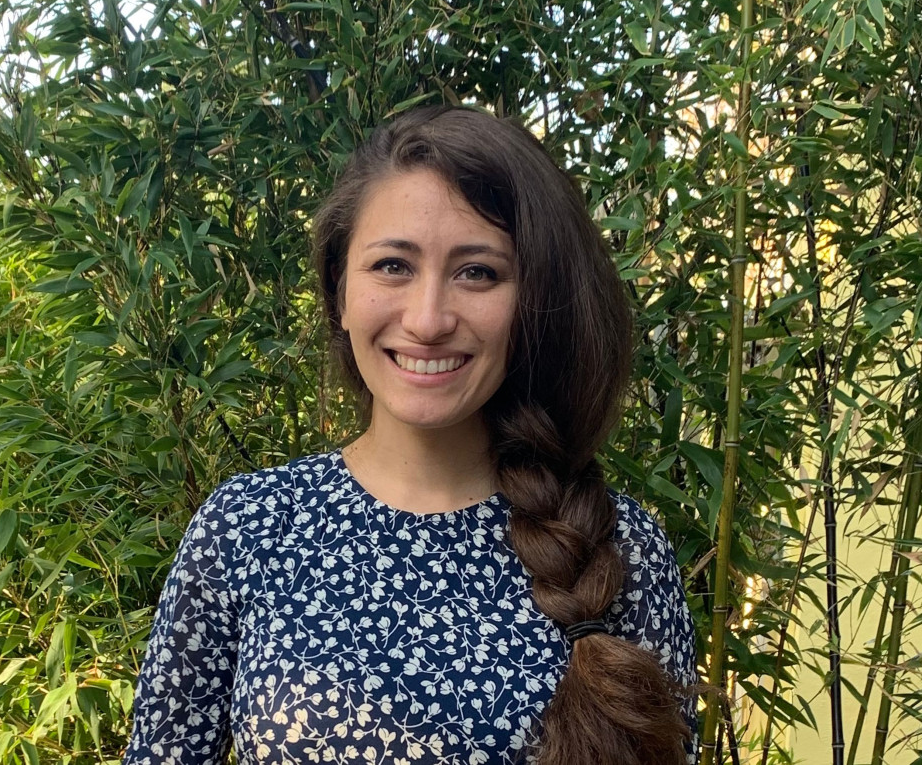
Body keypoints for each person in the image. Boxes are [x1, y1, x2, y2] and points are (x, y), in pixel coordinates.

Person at [122, 106, 698, 765]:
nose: (427, 319)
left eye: (478, 271)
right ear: (339, 291)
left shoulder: (617, 549)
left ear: (534, 302)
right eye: (393, 265)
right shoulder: (246, 528)